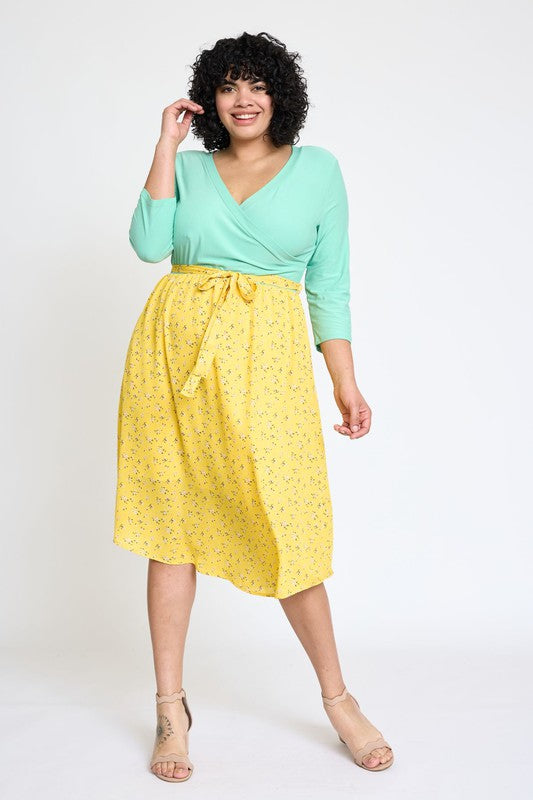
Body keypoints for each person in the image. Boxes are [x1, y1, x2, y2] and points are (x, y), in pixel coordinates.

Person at [113, 30, 394, 782]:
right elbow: (148, 245)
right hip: (174, 355)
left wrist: (344, 380)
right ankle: (170, 710)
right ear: (210, 99)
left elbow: (328, 283)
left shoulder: (317, 169)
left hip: (266, 358)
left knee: (286, 523)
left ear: (280, 96)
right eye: (229, 86)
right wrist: (166, 146)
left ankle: (337, 699)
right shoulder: (188, 167)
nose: (243, 100)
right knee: (169, 524)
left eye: (258, 85)